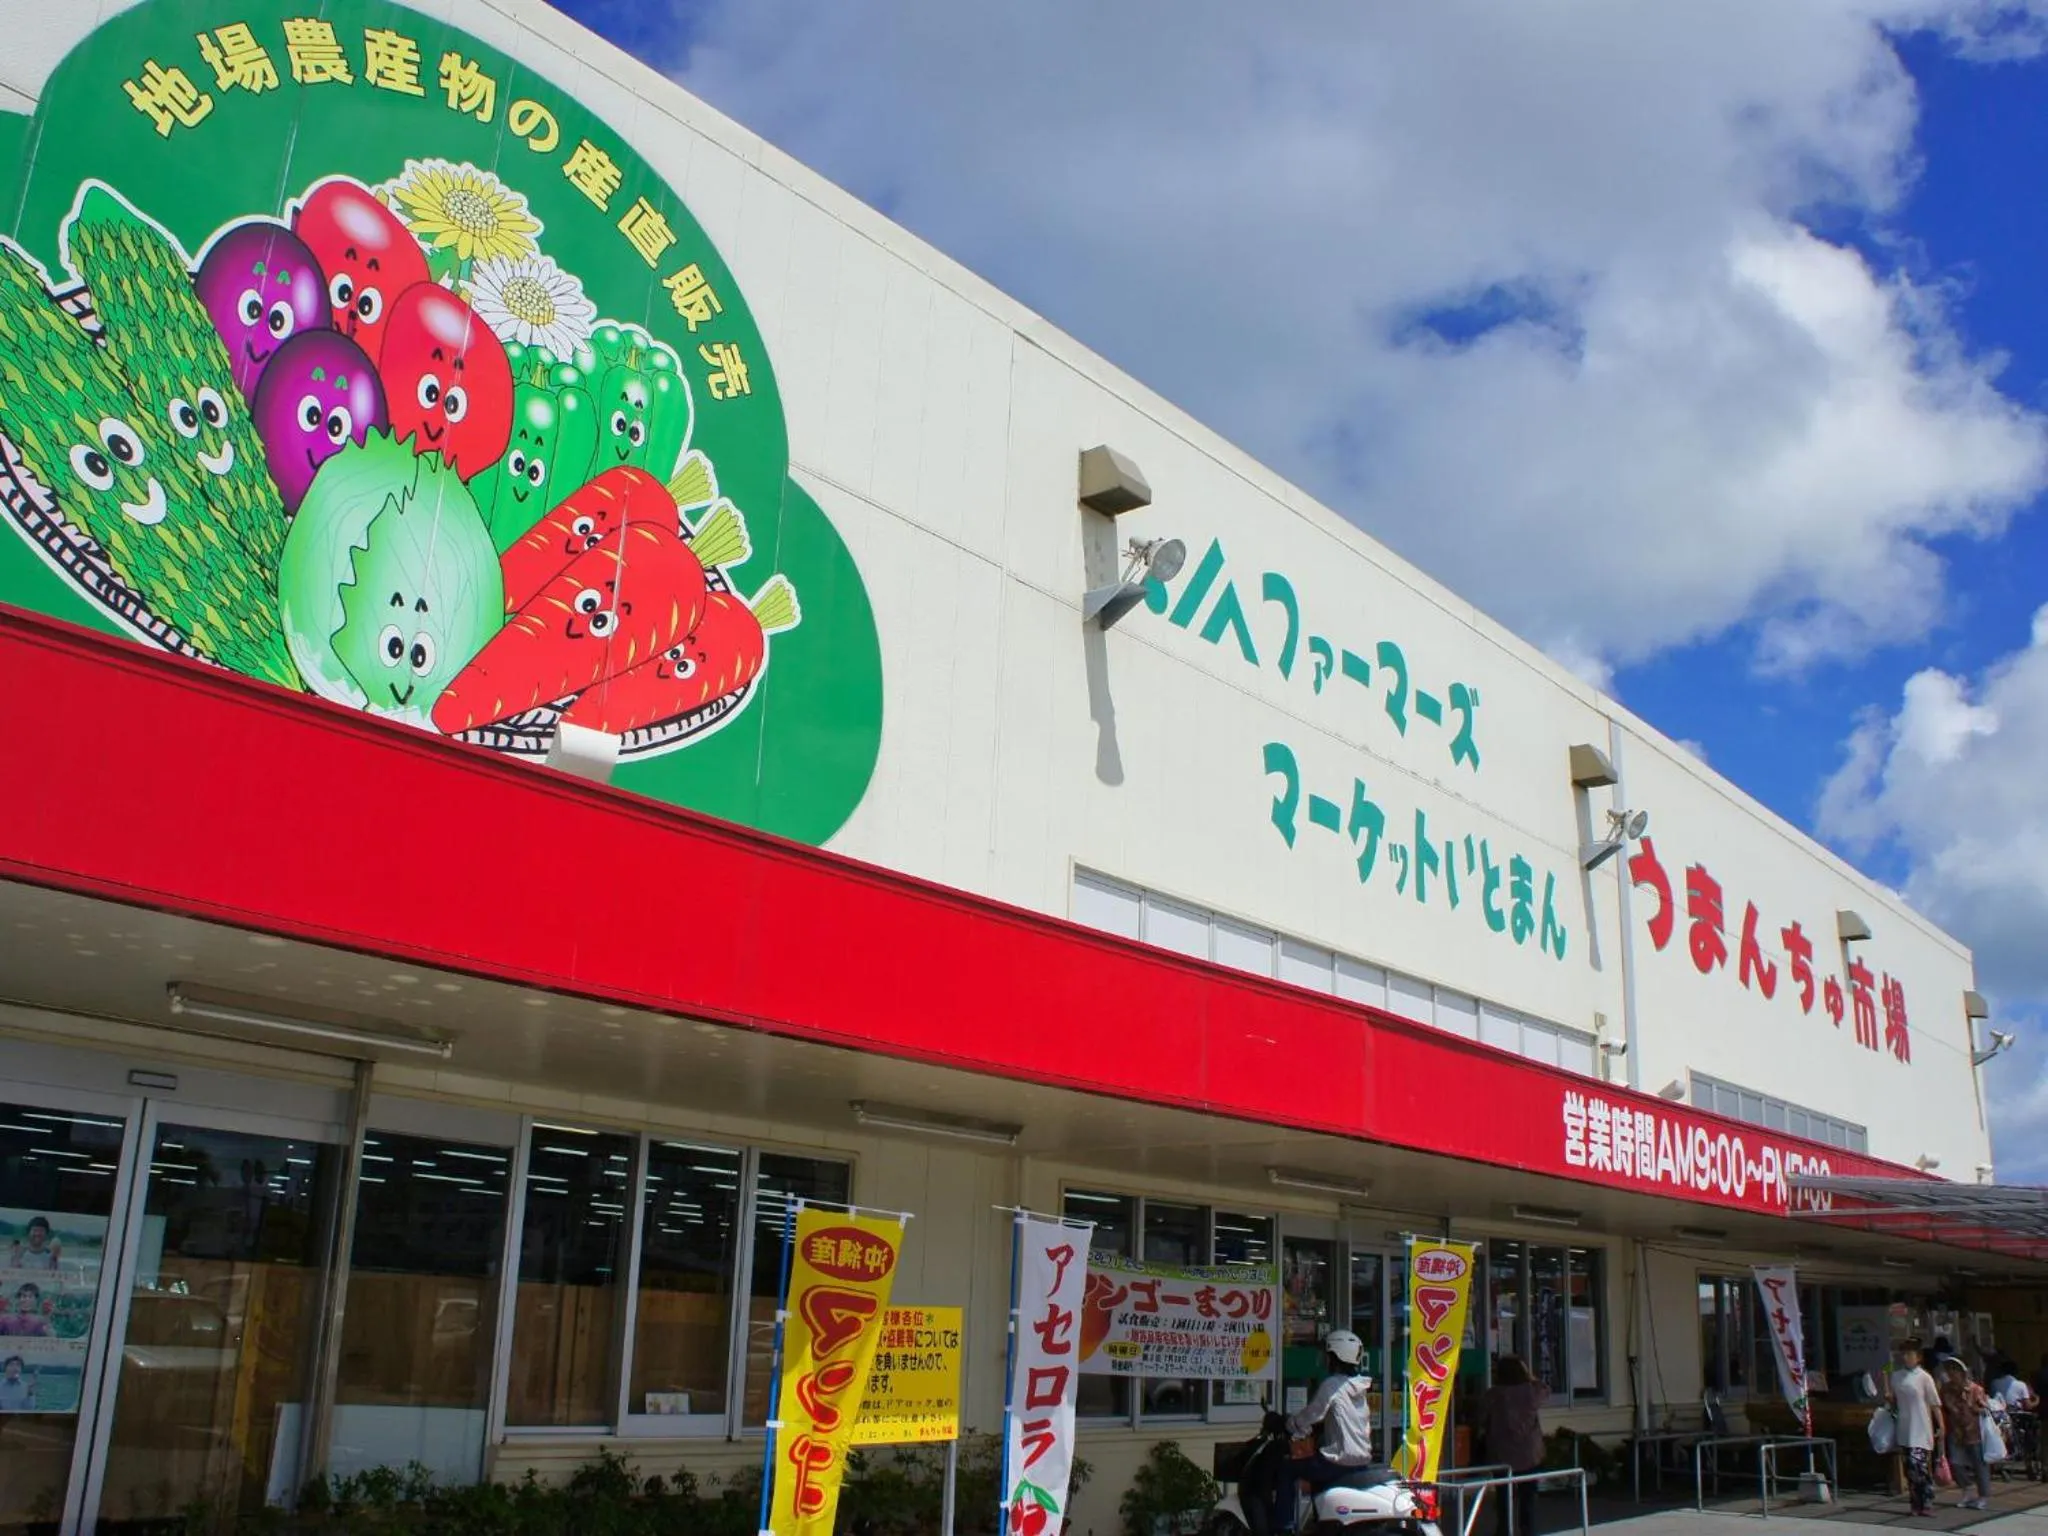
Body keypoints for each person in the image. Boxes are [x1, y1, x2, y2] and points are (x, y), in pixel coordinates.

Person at [1279, 1328, 1376, 1531]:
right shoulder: (1358, 1387)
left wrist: (1291, 1425)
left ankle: (1284, 1527)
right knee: (1316, 1474)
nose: (1323, 1359)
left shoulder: (1332, 1385)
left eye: (1326, 1354)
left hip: (1338, 1461)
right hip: (1361, 1461)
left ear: (1335, 1356)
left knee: (1286, 1469)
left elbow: (1313, 1413)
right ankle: (1323, 1524)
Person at [1478, 1356, 1549, 1536]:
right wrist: (1530, 1376)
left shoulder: (1493, 1395)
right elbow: (1545, 1389)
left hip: (1501, 1455)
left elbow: (1480, 1417)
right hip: (1529, 1455)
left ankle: (1504, 1531)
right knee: (1528, 1499)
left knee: (1504, 1498)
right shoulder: (1531, 1391)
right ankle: (1527, 1531)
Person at [1892, 1341, 1945, 1517]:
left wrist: (1941, 1425)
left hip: (1921, 1428)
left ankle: (1927, 1502)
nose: (1906, 1357)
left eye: (1910, 1354)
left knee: (1919, 1466)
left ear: (1918, 1357)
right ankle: (1915, 1503)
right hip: (1904, 1428)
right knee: (1909, 1469)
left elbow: (1934, 1403)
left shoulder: (1924, 1377)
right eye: (1904, 1354)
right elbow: (1893, 1401)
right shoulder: (1896, 1376)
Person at [1940, 1358, 1994, 1510]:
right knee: (1955, 1463)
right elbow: (1945, 1407)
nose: (1951, 1373)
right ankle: (1967, 1488)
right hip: (1956, 1431)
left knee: (1979, 1464)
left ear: (1963, 1373)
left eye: (1955, 1370)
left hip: (1973, 1431)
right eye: (1949, 1370)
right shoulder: (1946, 1389)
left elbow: (1985, 1409)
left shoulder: (1975, 1389)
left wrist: (1974, 1408)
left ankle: (1983, 1495)